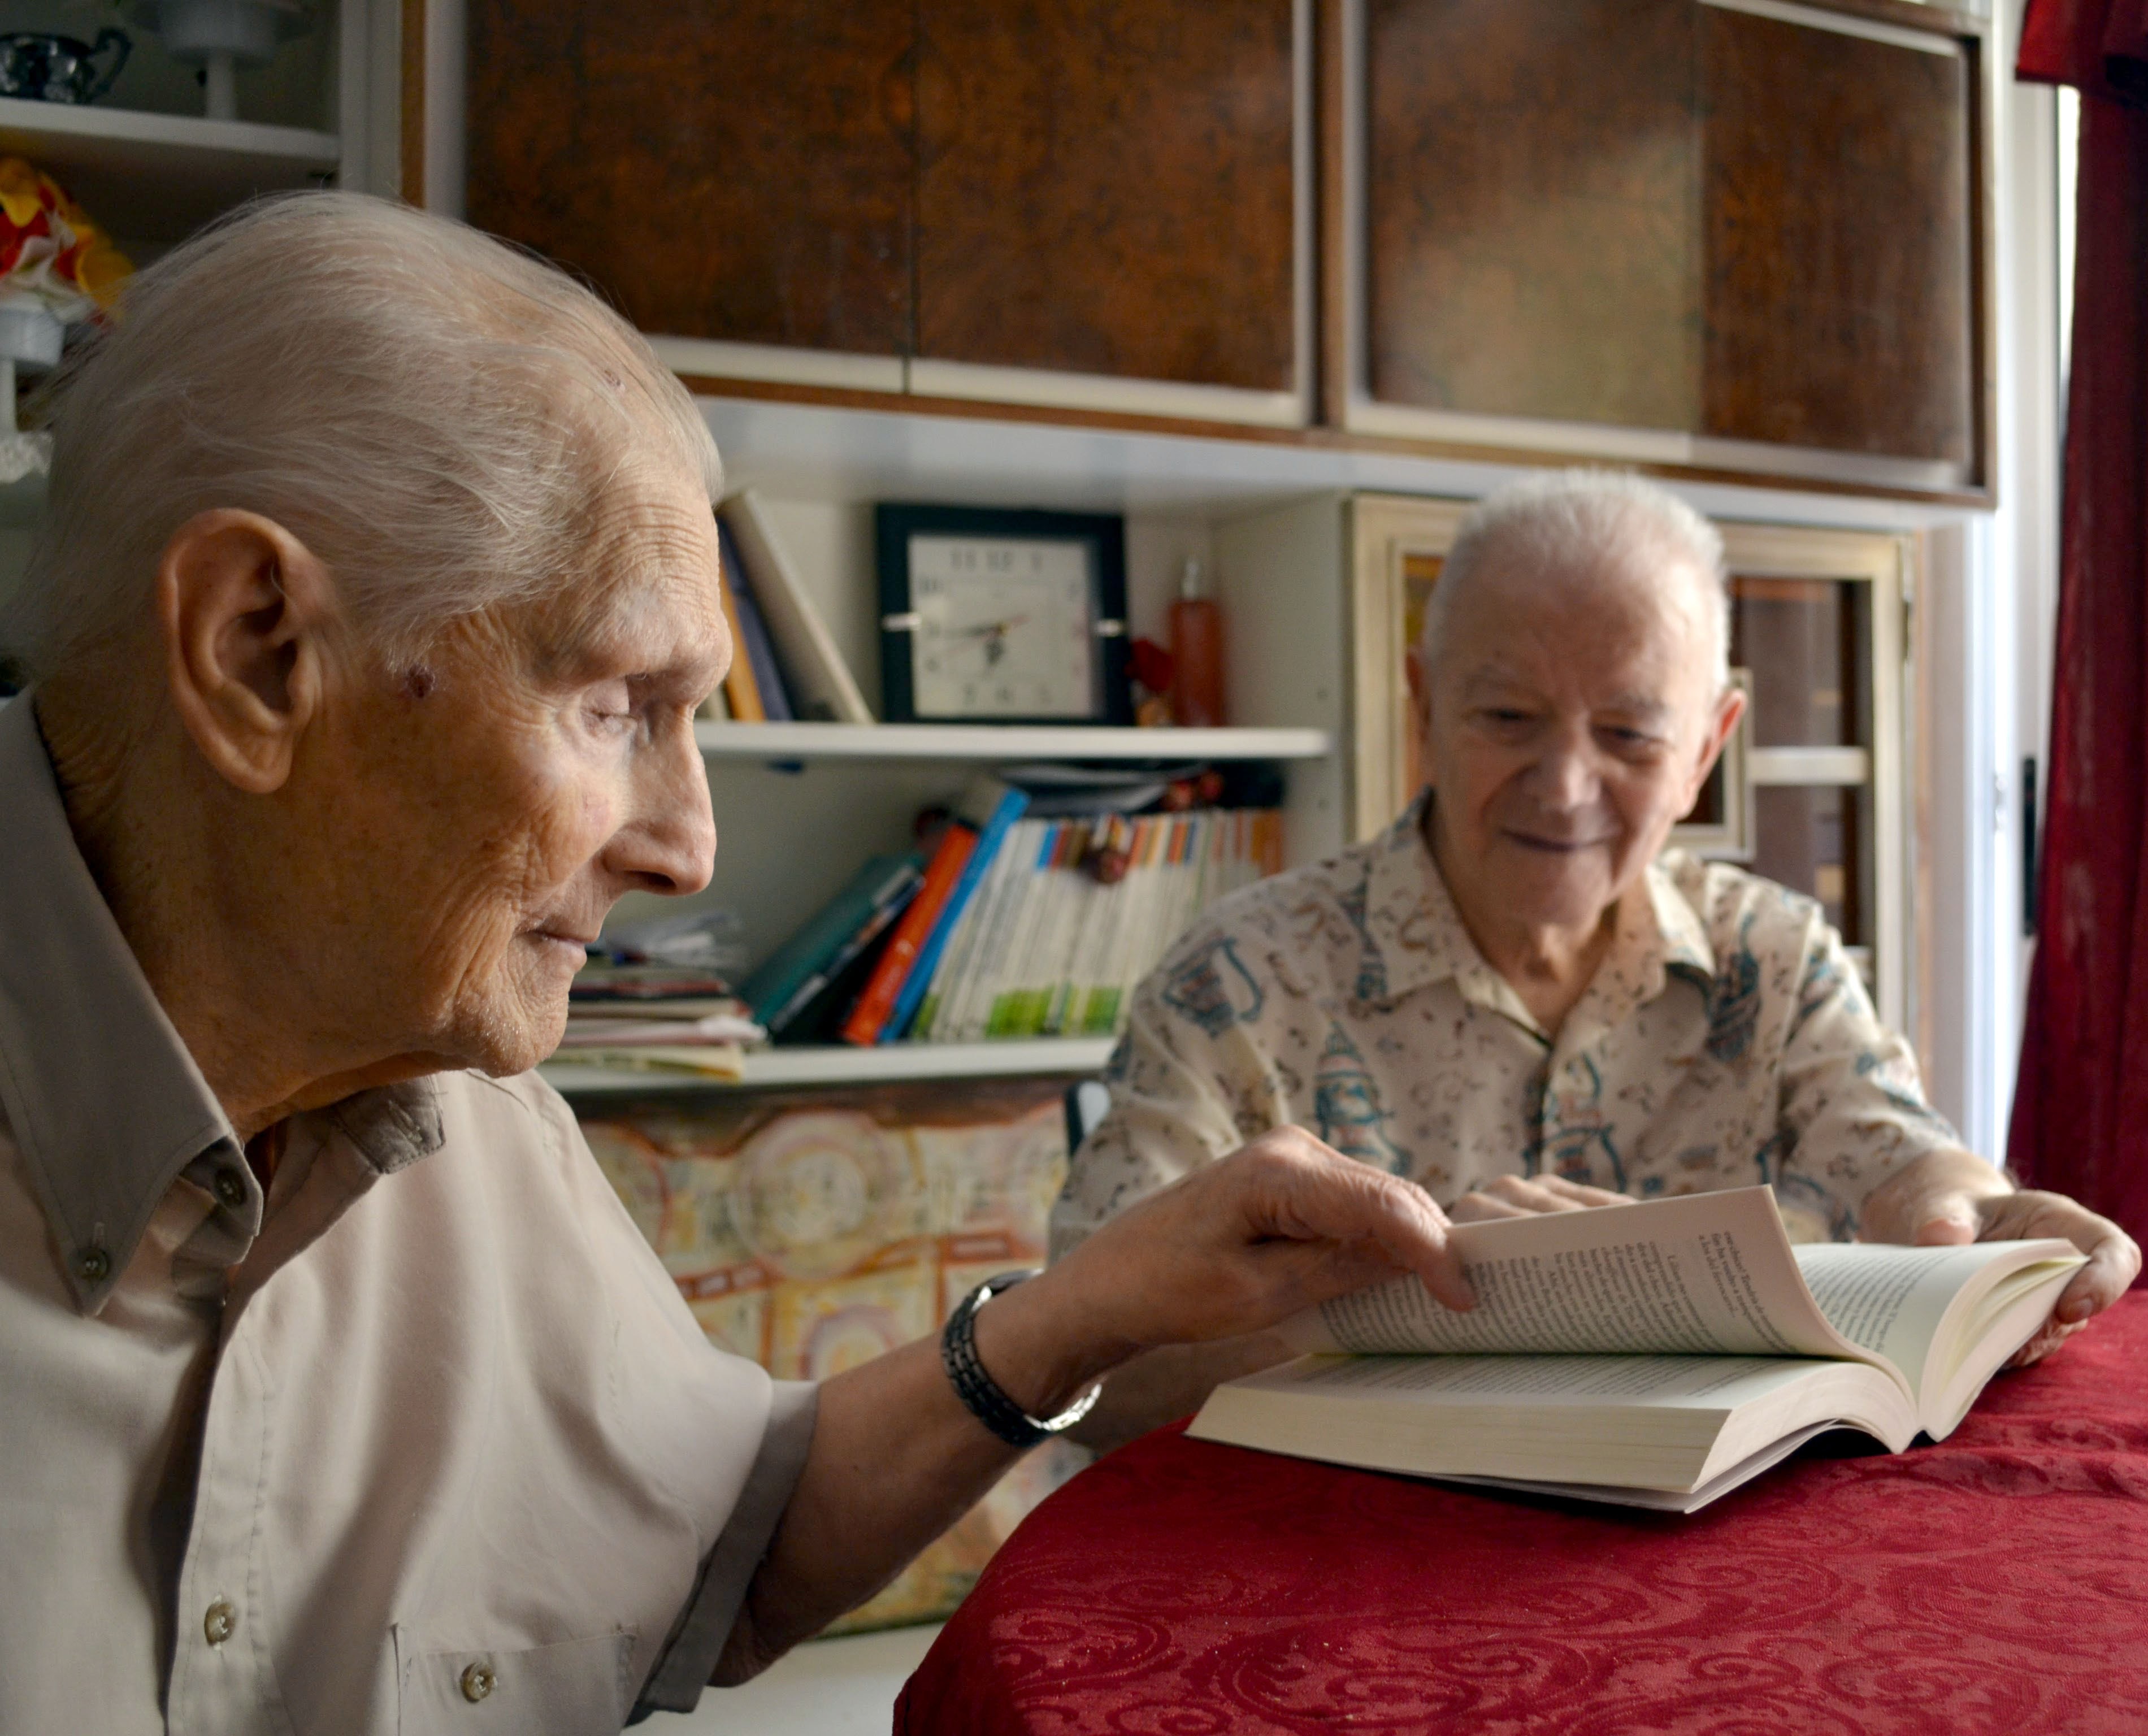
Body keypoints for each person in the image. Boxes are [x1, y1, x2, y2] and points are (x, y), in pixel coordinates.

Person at [0, 193, 1476, 1733]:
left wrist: (1095, 1305)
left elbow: (728, 1552)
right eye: (615, 705)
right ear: (258, 655)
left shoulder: (476, 1114)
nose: (689, 849)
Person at [1052, 470, 2142, 1444]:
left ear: (1707, 749)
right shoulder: (1235, 984)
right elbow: (1084, 1365)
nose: (1566, 787)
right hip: (1334, 1578)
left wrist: (1978, 1222)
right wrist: (1397, 1301)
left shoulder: (1772, 954)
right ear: (1424, 705)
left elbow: (1902, 1159)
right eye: (1508, 716)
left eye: (1628, 736)